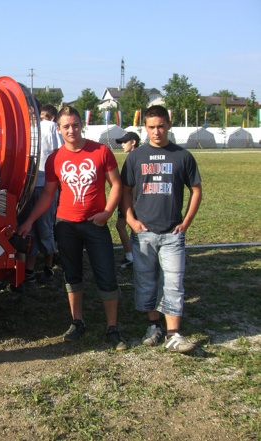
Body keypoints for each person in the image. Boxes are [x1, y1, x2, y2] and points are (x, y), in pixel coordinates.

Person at [17, 105, 127, 350]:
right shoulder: (55, 158)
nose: (71, 130)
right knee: (72, 276)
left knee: (106, 276)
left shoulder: (101, 151)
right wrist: (29, 221)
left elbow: (116, 185)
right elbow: (47, 195)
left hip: (95, 224)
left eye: (75, 125)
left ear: (81, 125)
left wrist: (107, 212)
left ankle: (113, 328)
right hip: (66, 225)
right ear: (59, 129)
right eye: (66, 126)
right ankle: (77, 322)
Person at [120, 105, 202, 354]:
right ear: (145, 128)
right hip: (143, 233)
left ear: (168, 125)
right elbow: (125, 191)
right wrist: (130, 219)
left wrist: (186, 222)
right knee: (146, 281)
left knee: (173, 282)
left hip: (171, 233)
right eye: (152, 127)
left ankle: (174, 334)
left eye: (161, 126)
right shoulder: (135, 157)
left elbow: (196, 190)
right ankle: (153, 325)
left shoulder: (182, 156)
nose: (157, 131)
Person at [18, 103, 62, 285]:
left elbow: (58, 153)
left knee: (37, 228)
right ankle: (40, 269)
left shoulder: (38, 126)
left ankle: (40, 269)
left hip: (38, 184)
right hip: (37, 185)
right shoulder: (41, 127)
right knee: (38, 228)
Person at [114, 131, 141, 269]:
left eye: (125, 142)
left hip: (130, 201)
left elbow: (134, 184)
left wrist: (132, 203)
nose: (122, 145)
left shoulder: (135, 158)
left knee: (126, 226)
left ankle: (133, 256)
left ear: (133, 142)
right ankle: (132, 255)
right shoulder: (133, 157)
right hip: (129, 200)